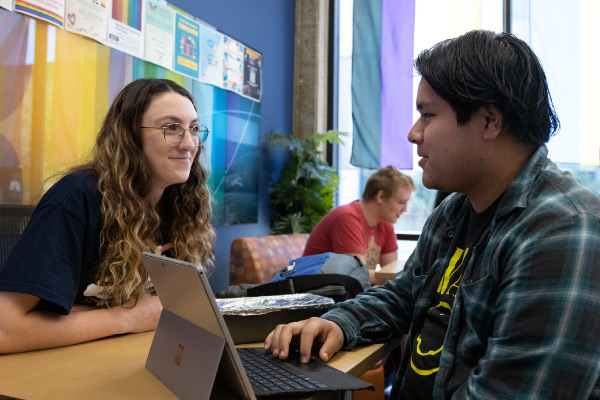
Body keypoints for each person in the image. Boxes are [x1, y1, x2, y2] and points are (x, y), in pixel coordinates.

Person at [264, 30, 600, 399]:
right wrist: (339, 323)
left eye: (427, 114)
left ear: (490, 121)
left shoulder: (564, 230)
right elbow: (404, 295)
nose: (412, 133)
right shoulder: (455, 211)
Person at [0, 78, 215, 354]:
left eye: (194, 129)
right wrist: (126, 317)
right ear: (129, 136)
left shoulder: (181, 201)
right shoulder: (76, 199)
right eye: (171, 128)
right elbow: (5, 329)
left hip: (117, 356)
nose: (189, 144)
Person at [303, 165, 415, 285]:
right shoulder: (346, 218)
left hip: (342, 292)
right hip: (315, 293)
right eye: (401, 202)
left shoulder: (385, 223)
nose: (405, 209)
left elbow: (391, 271)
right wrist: (400, 275)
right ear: (381, 196)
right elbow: (358, 276)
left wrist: (396, 275)